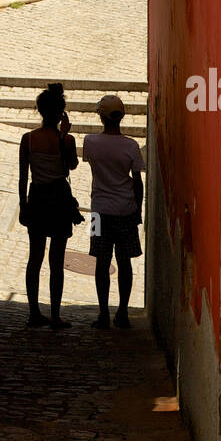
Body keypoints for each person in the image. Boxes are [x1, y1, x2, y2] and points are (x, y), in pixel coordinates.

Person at [18, 82, 79, 330]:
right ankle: (55, 314)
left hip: (38, 199)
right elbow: (71, 167)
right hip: (60, 199)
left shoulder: (28, 140)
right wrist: (64, 135)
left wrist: (23, 206)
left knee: (35, 257)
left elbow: (23, 177)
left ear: (40, 111)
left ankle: (34, 312)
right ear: (61, 113)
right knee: (57, 260)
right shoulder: (67, 140)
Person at [82, 94, 145, 330]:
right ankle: (123, 312)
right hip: (126, 210)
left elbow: (91, 163)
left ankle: (102, 313)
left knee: (101, 262)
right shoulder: (131, 146)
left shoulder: (90, 142)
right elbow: (137, 182)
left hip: (98, 210)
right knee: (125, 261)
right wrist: (138, 208)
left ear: (101, 116)